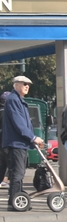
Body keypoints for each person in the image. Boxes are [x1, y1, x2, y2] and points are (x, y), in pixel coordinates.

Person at [2, 76, 44, 211]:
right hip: (16, 143)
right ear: (16, 85)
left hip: (20, 143)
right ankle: (15, 202)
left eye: (28, 84)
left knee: (18, 173)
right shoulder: (14, 100)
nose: (27, 86)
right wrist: (32, 137)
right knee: (17, 173)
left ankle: (16, 200)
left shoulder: (18, 100)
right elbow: (19, 123)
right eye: (25, 84)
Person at [0, 92, 11, 188]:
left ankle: (2, 180)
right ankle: (5, 180)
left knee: (2, 162)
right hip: (6, 141)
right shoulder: (7, 113)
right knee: (9, 161)